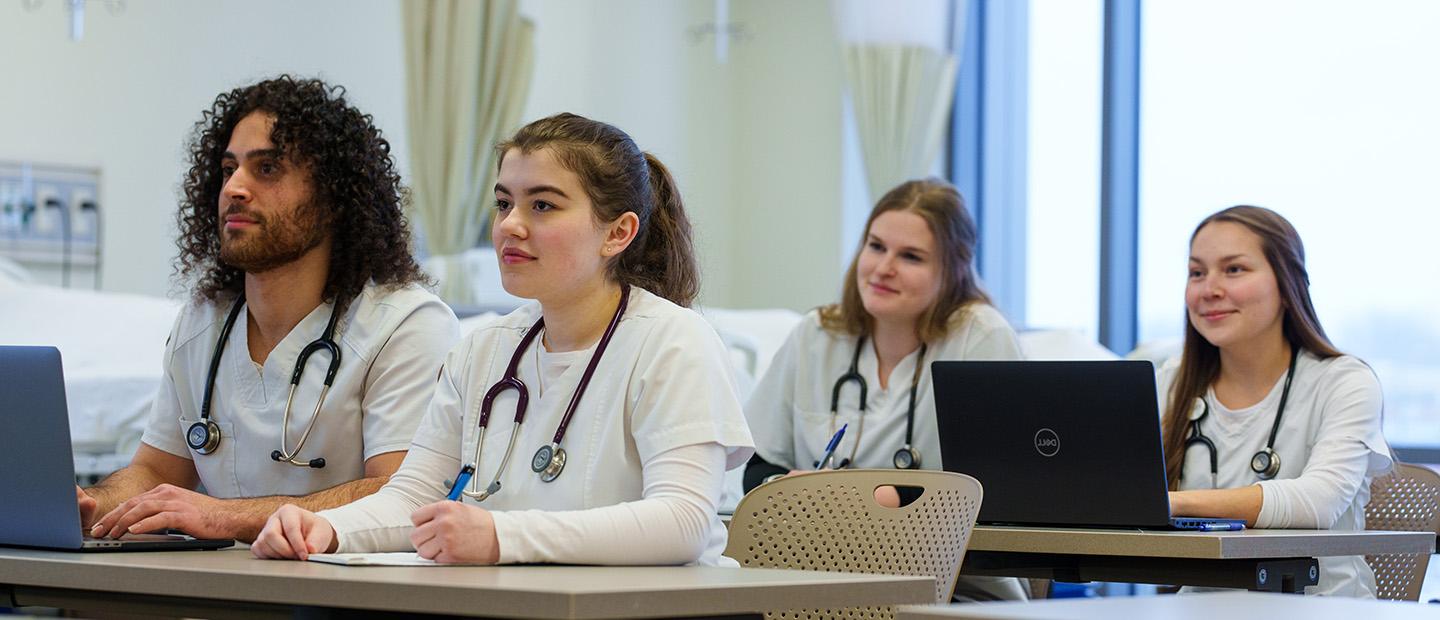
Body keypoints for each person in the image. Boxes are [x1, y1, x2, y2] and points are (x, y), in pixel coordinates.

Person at [251, 113, 754, 566]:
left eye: (542, 205)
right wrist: (324, 529)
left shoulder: (674, 343)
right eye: (503, 203)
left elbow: (681, 523)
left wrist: (500, 536)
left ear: (617, 233)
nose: (510, 225)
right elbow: (414, 498)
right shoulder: (484, 349)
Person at [79, 76, 459, 543]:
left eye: (267, 169)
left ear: (333, 198)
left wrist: (221, 516)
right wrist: (92, 503)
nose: (235, 187)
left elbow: (400, 494)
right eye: (228, 168)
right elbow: (155, 470)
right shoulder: (204, 322)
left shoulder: (404, 324)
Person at [741, 178, 1028, 601]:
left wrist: (882, 498)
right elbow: (757, 466)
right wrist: (790, 489)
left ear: (953, 268)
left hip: (955, 588)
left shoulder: (979, 338)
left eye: (911, 256)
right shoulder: (817, 335)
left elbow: (1006, 487)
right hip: (818, 577)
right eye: (875, 246)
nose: (883, 268)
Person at [1161, 205, 1391, 597]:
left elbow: (1318, 503)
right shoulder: (1174, 380)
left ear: (1287, 284)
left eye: (1234, 269)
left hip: (1321, 608)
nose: (1209, 289)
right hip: (1200, 609)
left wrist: (1172, 503)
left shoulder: (1344, 382)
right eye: (1197, 273)